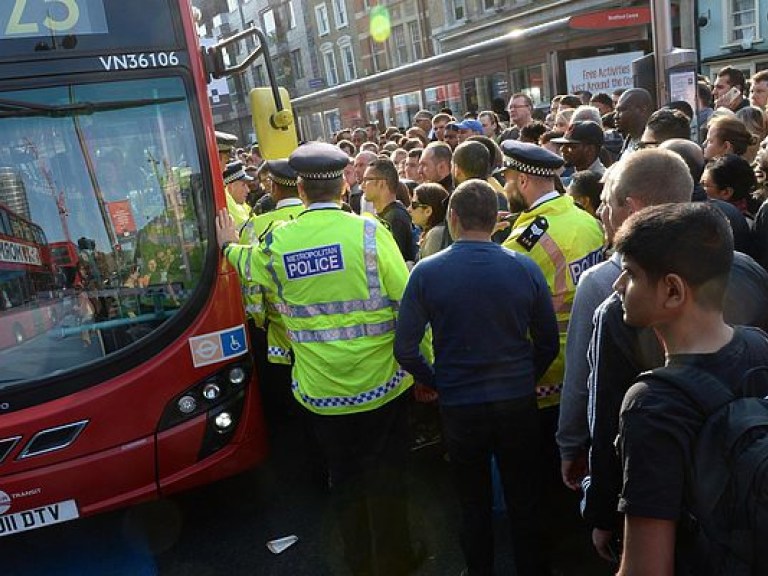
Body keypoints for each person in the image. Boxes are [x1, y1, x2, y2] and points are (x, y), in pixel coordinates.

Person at [215, 142, 425, 576]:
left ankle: (359, 563)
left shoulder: (278, 241)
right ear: (343, 185)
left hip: (323, 395)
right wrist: (426, 367)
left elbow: (250, 267)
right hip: (384, 386)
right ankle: (398, 561)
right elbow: (410, 305)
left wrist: (227, 247)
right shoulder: (370, 233)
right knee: (388, 480)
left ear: (302, 192)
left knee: (344, 483)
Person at [394, 179, 559, 576]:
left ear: (452, 218)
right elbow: (548, 343)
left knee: (472, 502)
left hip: (460, 405)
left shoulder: (428, 272)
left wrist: (437, 381)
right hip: (516, 402)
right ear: (496, 220)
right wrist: (524, 378)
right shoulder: (524, 266)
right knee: (525, 498)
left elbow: (405, 348)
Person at [612, 203, 768, 575]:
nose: (618, 286)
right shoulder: (760, 346)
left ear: (672, 291)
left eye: (630, 274)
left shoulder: (652, 404)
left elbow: (646, 568)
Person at [557, 150, 693, 502]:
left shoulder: (604, 283)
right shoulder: (732, 263)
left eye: (606, 203)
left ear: (631, 209)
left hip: (636, 466)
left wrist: (571, 446)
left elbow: (587, 382)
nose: (601, 213)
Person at [362, 158, 417, 263]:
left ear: (382, 183)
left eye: (367, 180)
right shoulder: (388, 214)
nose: (362, 185)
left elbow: (393, 261)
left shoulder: (395, 218)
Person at [408, 183, 449, 260]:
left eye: (414, 205)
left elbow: (428, 270)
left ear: (428, 211)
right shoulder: (432, 232)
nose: (409, 209)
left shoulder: (435, 235)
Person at [614, 88, 653, 158]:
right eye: (616, 111)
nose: (615, 116)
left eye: (622, 110)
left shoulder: (654, 142)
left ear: (642, 109)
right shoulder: (628, 140)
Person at [223, 160, 253, 231]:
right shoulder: (228, 203)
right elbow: (249, 232)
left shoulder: (238, 203)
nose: (248, 190)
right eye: (243, 185)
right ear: (230, 187)